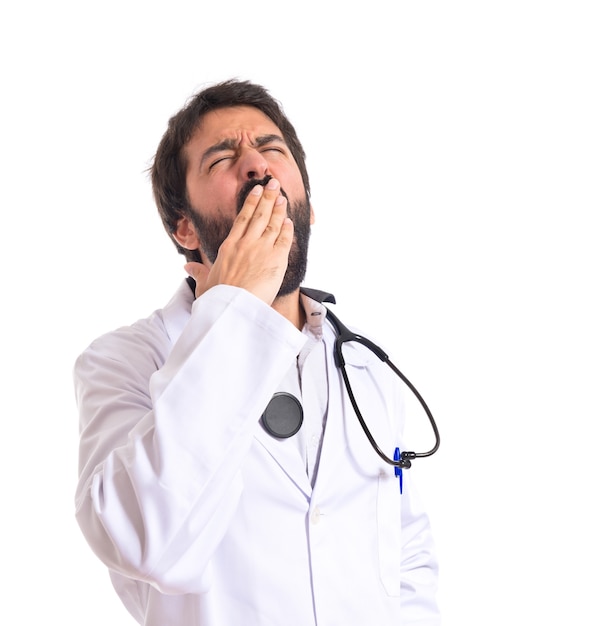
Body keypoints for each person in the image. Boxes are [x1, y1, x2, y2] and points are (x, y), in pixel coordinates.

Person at [74, 79, 440, 625]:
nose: (256, 167)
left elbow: (407, 552)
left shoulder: (363, 363)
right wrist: (237, 305)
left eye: (271, 149)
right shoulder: (125, 361)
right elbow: (148, 541)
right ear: (184, 227)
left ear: (307, 207)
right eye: (222, 157)